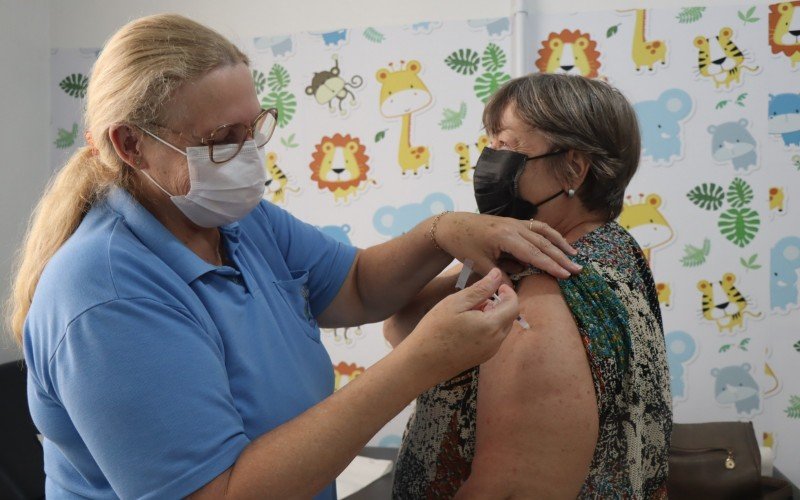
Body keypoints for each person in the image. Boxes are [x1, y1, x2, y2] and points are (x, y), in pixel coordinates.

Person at [6, 14, 583, 499]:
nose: (248, 157)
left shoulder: (233, 220)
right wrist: (419, 363)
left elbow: (354, 286)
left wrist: (439, 233)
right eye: (220, 139)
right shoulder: (105, 295)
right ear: (131, 145)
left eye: (254, 127)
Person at [386, 73, 672, 499]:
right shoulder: (611, 250)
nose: (489, 158)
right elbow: (402, 329)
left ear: (573, 168)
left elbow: (510, 490)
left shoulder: (540, 296)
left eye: (508, 144)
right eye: (491, 142)